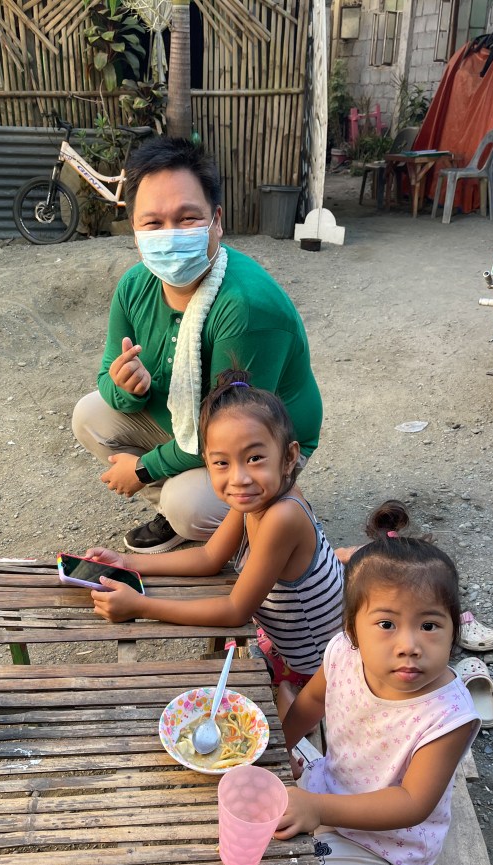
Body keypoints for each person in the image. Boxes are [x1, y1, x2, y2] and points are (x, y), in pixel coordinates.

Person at [276, 501, 480, 865]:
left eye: (430, 626)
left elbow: (412, 804)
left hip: (388, 841)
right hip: (330, 787)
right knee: (250, 802)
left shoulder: (449, 716)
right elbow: (313, 702)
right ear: (353, 630)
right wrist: (280, 747)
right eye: (386, 624)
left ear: (455, 630)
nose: (409, 646)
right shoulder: (343, 654)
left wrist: (317, 808)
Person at [72, 136, 322, 554]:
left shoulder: (246, 307)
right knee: (90, 414)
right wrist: (126, 388)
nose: (170, 235)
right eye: (153, 223)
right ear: (134, 230)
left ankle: (266, 513)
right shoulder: (134, 286)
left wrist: (143, 469)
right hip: (194, 423)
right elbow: (108, 377)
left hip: (262, 440)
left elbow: (237, 430)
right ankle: (185, 511)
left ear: (216, 220)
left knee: (189, 505)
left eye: (187, 218)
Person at [83, 368, 344, 687]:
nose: (239, 478)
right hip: (291, 638)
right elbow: (209, 557)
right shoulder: (254, 498)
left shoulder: (283, 516)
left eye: (255, 458)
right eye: (222, 462)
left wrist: (139, 606)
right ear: (206, 462)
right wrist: (126, 562)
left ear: (289, 457)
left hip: (316, 666)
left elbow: (235, 611)